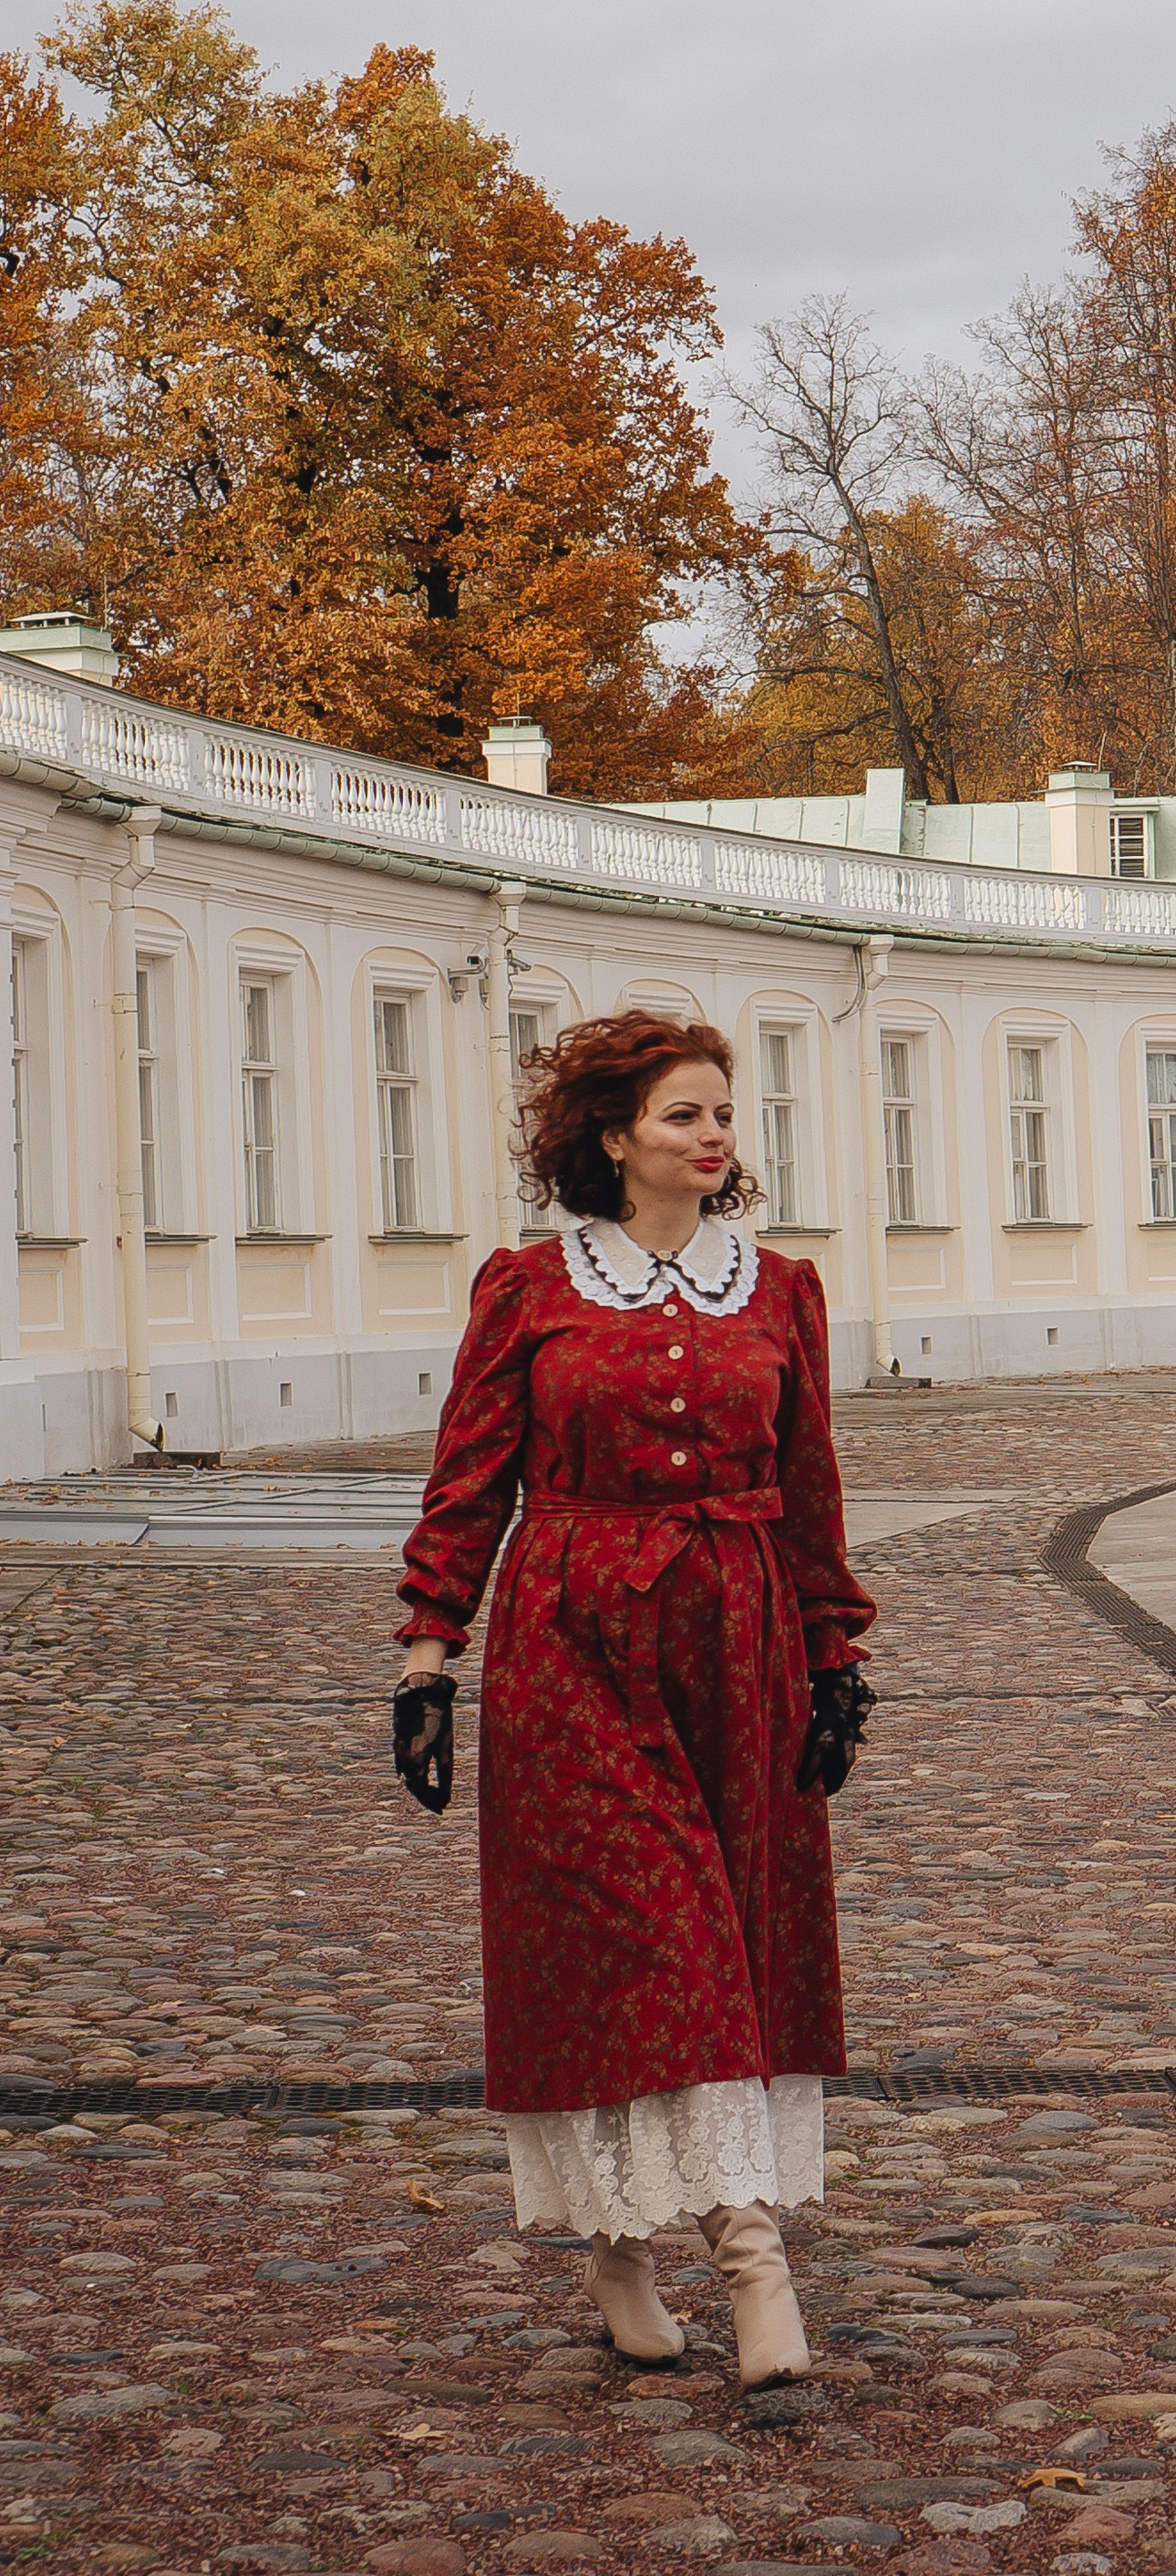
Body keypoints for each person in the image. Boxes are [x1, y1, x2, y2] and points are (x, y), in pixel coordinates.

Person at [392, 1008, 875, 2388]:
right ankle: (753, 2266)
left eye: (723, 1113)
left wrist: (836, 1654)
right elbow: (471, 1477)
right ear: (614, 1138)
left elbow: (810, 1484)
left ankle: (618, 2251)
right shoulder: (529, 1288)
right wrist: (429, 1652)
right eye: (683, 1114)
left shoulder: (778, 1292)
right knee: (651, 1939)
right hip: (570, 1642)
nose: (713, 1135)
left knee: (726, 1941)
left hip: (739, 1641)